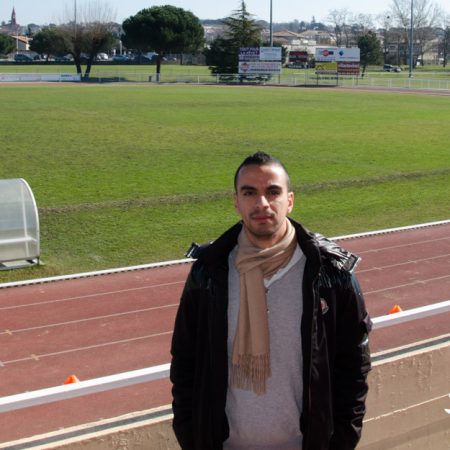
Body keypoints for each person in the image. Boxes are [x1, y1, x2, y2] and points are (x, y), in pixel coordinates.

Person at [170, 152, 372, 450]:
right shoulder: (209, 273)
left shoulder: (331, 275)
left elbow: (354, 367)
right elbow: (185, 360)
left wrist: (340, 443)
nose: (262, 203)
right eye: (249, 193)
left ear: (289, 200)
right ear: (236, 202)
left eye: (273, 192)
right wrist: (192, 438)